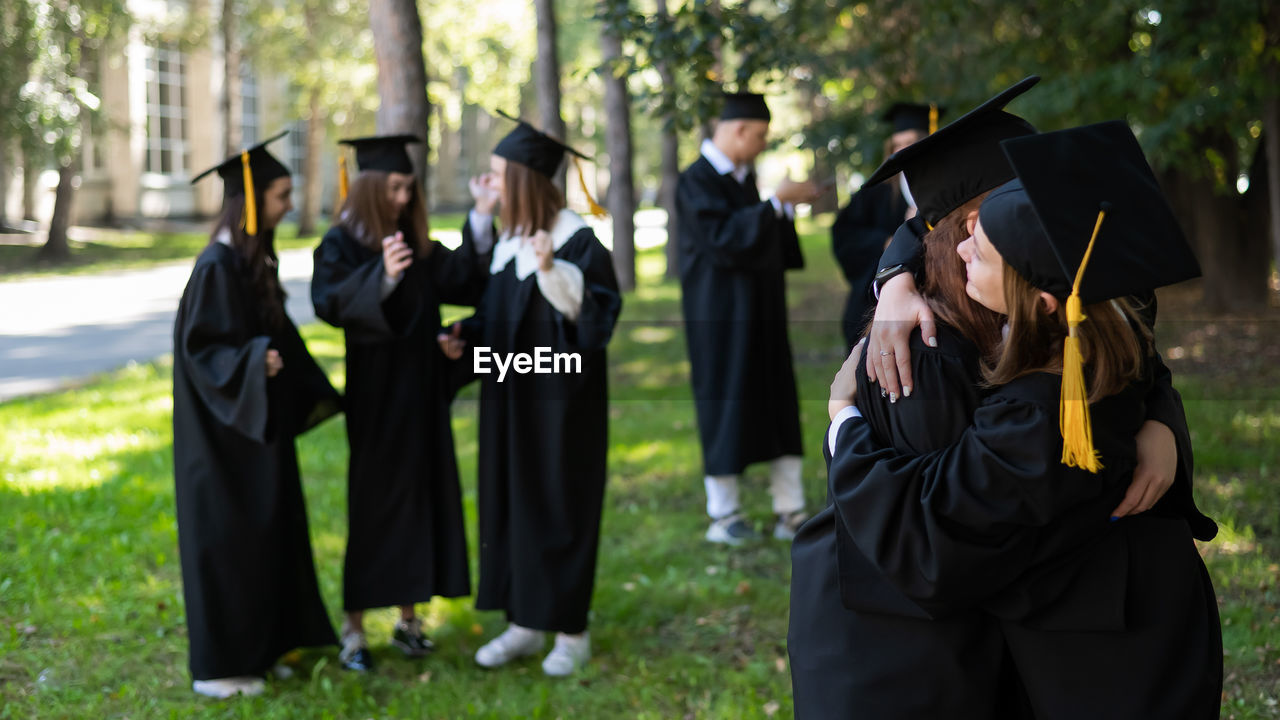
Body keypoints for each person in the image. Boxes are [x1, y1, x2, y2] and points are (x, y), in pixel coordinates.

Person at [823, 120, 1221, 718]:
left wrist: (1164, 425)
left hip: (1110, 622)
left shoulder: (1091, 283)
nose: (1048, 197)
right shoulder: (926, 348)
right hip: (974, 635)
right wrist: (893, 277)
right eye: (994, 214)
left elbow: (1139, 361)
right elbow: (942, 533)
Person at [451, 117, 621, 677]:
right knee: (511, 505)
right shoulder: (507, 243)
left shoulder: (577, 241)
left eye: (500, 177)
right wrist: (464, 337)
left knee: (557, 504)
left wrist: (553, 271)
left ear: (526, 181)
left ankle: (571, 630)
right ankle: (524, 621)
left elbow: (594, 325)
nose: (492, 185)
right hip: (508, 404)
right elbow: (499, 319)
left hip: (559, 410)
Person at [174, 131, 341, 699]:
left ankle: (264, 650)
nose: (289, 205)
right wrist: (253, 363)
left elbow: (281, 337)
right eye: (281, 195)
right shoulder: (218, 266)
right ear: (252, 199)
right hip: (220, 440)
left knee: (268, 532)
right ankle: (221, 669)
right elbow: (203, 352)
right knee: (229, 539)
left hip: (253, 428)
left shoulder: (248, 259)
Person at [311, 134, 485, 672]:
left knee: (420, 503)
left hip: (422, 395)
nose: (404, 199)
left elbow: (465, 280)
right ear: (367, 188)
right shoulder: (340, 244)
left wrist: (481, 215)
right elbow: (329, 304)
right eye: (393, 187)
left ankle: (410, 622)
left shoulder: (417, 241)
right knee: (375, 508)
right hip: (377, 399)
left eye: (409, 188)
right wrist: (382, 276)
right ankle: (355, 631)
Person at [675, 91, 822, 545]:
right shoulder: (695, 181)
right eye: (759, 135)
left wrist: (779, 208)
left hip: (761, 315)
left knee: (776, 401)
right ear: (738, 130)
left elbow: (767, 244)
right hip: (718, 319)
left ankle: (790, 508)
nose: (762, 144)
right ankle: (725, 514)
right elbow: (722, 240)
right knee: (724, 405)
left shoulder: (741, 179)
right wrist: (774, 204)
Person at [830, 101, 941, 348]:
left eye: (910, 142)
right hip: (880, 305)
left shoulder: (946, 187)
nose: (902, 151)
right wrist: (887, 242)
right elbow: (844, 234)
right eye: (897, 144)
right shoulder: (875, 192)